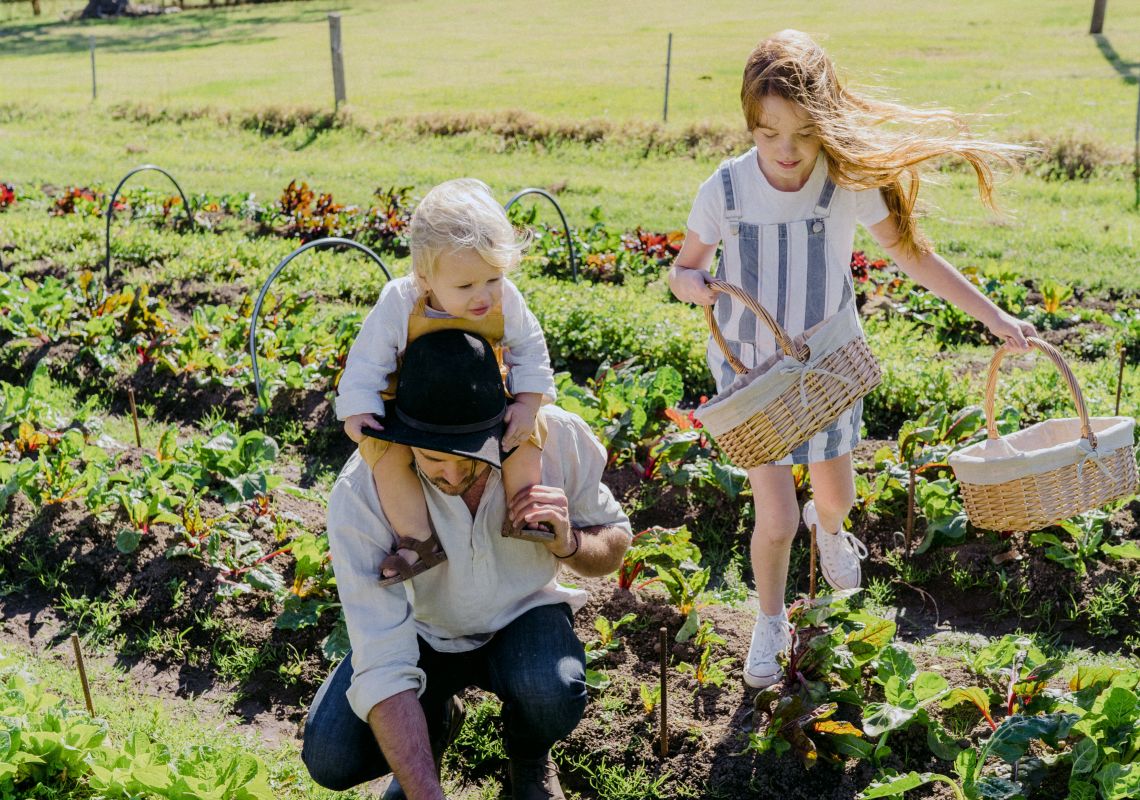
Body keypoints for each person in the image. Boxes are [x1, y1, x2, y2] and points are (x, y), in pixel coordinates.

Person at [667, 29, 1037, 689]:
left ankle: (831, 532)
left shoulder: (844, 184)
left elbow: (914, 256)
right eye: (767, 132)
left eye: (803, 134)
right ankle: (771, 619)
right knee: (774, 517)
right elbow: (684, 268)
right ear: (749, 124)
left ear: (827, 124)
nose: (785, 151)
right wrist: (690, 282)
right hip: (755, 381)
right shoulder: (723, 191)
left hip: (828, 372)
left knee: (834, 497)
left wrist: (995, 316)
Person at [304, 329, 633, 800]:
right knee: (331, 755)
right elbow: (381, 658)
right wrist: (426, 794)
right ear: (402, 435)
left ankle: (528, 756)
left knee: (552, 691)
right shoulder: (362, 492)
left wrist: (570, 542)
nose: (454, 474)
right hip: (422, 633)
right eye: (434, 457)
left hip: (524, 617)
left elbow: (616, 540)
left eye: (473, 452)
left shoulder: (552, 437)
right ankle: (432, 726)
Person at [336, 178, 557, 586]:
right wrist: (359, 406)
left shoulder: (506, 299)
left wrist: (527, 402)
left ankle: (526, 509)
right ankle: (417, 540)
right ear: (425, 279)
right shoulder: (400, 301)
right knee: (386, 457)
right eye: (465, 286)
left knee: (526, 435)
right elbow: (367, 359)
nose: (484, 296)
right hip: (415, 401)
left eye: (493, 279)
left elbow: (529, 348)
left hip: (478, 394)